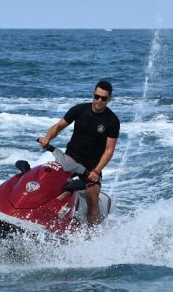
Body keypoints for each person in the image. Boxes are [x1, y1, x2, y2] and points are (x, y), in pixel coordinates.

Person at [38, 80, 120, 226]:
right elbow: (58, 126)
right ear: (93, 94)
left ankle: (92, 234)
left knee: (92, 198)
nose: (99, 101)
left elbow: (109, 150)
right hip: (69, 160)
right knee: (47, 185)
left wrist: (96, 171)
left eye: (104, 98)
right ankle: (39, 218)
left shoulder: (112, 121)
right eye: (97, 96)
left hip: (91, 168)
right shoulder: (79, 110)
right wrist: (47, 138)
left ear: (109, 99)